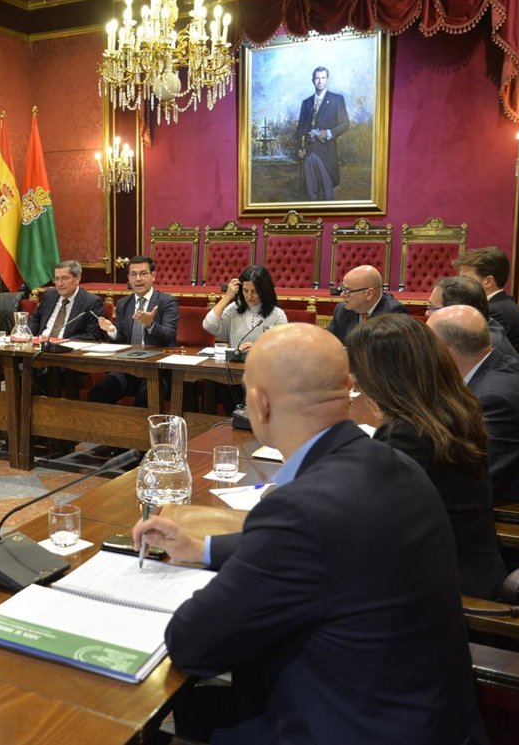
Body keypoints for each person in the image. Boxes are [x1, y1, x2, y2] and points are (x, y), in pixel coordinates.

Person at [131, 324, 485, 744]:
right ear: (348, 388)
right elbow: (322, 547)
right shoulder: (395, 464)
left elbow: (192, 644)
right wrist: (199, 547)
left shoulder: (299, 510)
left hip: (341, 725)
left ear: (259, 403)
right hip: (425, 717)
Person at [346, 314, 506, 599]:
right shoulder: (450, 410)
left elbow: (368, 525)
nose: (354, 381)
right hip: (471, 569)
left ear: (381, 376)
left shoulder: (407, 435)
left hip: (441, 592)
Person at [428, 305, 519, 568]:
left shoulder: (495, 400)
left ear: (443, 350)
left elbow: (472, 482)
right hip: (506, 511)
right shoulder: (496, 366)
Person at [88, 255, 179, 407]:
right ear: (129, 278)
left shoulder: (167, 302)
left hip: (156, 369)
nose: (138, 279)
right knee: (99, 392)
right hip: (128, 368)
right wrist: (112, 331)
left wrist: (150, 324)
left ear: (153, 276)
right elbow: (121, 340)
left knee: (145, 401)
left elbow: (169, 336)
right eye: (133, 274)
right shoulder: (124, 303)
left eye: (143, 274)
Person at [452, 246, 519, 383]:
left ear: (488, 282)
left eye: (465, 279)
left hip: (516, 384)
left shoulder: (496, 311)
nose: (459, 285)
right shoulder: (502, 303)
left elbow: (474, 354)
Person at [428, 275, 519, 368]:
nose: (426, 313)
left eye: (432, 307)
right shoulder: (485, 328)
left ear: (457, 312)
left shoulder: (480, 344)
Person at [203, 264, 288, 352]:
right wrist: (227, 297)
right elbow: (208, 325)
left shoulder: (277, 315)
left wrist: (258, 348)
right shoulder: (234, 309)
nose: (249, 296)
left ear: (264, 290)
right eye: (245, 291)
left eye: (255, 291)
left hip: (262, 360)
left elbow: (283, 348)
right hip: (234, 360)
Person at [296, 66, 350, 201]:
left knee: (327, 195)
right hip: (308, 154)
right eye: (317, 78)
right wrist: (300, 148)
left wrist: (329, 133)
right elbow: (300, 129)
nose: (320, 81)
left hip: (326, 154)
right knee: (310, 196)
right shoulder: (306, 103)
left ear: (327, 79)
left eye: (323, 78)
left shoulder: (337, 99)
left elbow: (345, 123)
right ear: (313, 80)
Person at [326, 264, 408, 344]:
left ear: (369, 294)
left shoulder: (393, 313)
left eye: (348, 291)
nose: (342, 294)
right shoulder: (342, 309)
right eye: (342, 288)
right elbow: (329, 342)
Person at [27, 259, 103, 340]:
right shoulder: (49, 295)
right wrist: (27, 335)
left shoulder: (91, 302)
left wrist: (65, 341)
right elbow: (35, 319)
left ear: (77, 278)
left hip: (66, 345)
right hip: (40, 342)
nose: (59, 284)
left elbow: (92, 334)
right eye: (56, 279)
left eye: (65, 278)